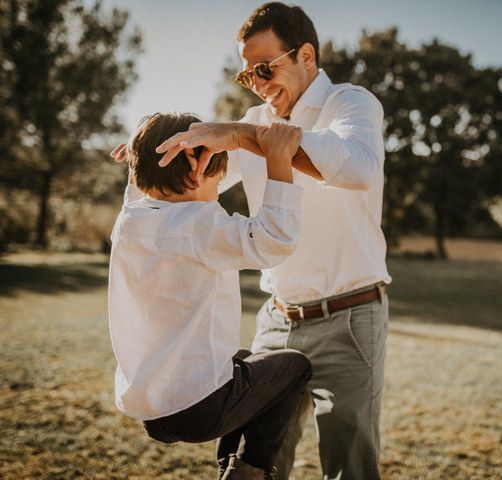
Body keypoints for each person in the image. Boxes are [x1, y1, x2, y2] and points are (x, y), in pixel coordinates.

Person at [114, 3, 391, 478]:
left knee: (348, 464)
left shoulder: (351, 102)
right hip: (277, 318)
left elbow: (359, 168)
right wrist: (153, 162)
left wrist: (250, 136)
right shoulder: (252, 121)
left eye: (265, 68)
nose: (258, 84)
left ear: (306, 55)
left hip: (350, 315)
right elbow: (198, 188)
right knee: (259, 465)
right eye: (248, 76)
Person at [108, 112, 312, 480]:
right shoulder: (199, 224)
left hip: (152, 412)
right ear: (193, 166)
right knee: (296, 367)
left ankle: (230, 469)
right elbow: (275, 240)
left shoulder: (129, 222)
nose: (217, 190)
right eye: (218, 180)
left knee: (249, 363)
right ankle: (250, 469)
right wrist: (279, 160)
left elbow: (142, 190)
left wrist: (142, 156)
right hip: (201, 407)